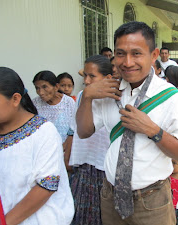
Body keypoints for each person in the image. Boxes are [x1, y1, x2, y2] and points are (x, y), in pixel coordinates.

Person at [76, 21, 178, 225]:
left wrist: (152, 130)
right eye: (121, 53)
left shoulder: (173, 99)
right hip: (110, 195)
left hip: (151, 201)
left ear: (154, 55)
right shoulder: (108, 91)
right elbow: (84, 131)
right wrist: (87, 97)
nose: (127, 62)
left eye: (136, 53)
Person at [0, 67, 74, 224]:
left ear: (16, 99)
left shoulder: (43, 132)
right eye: (37, 88)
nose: (41, 92)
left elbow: (46, 186)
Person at [69, 55, 112, 225]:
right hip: (83, 166)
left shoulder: (115, 99)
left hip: (105, 169)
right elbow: (76, 130)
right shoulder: (81, 96)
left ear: (108, 78)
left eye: (92, 76)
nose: (86, 81)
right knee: (80, 215)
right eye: (84, 76)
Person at [32, 71, 76, 171]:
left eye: (44, 87)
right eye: (37, 88)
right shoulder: (35, 103)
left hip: (65, 152)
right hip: (43, 154)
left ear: (56, 87)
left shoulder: (68, 102)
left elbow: (73, 129)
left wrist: (64, 149)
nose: (40, 92)